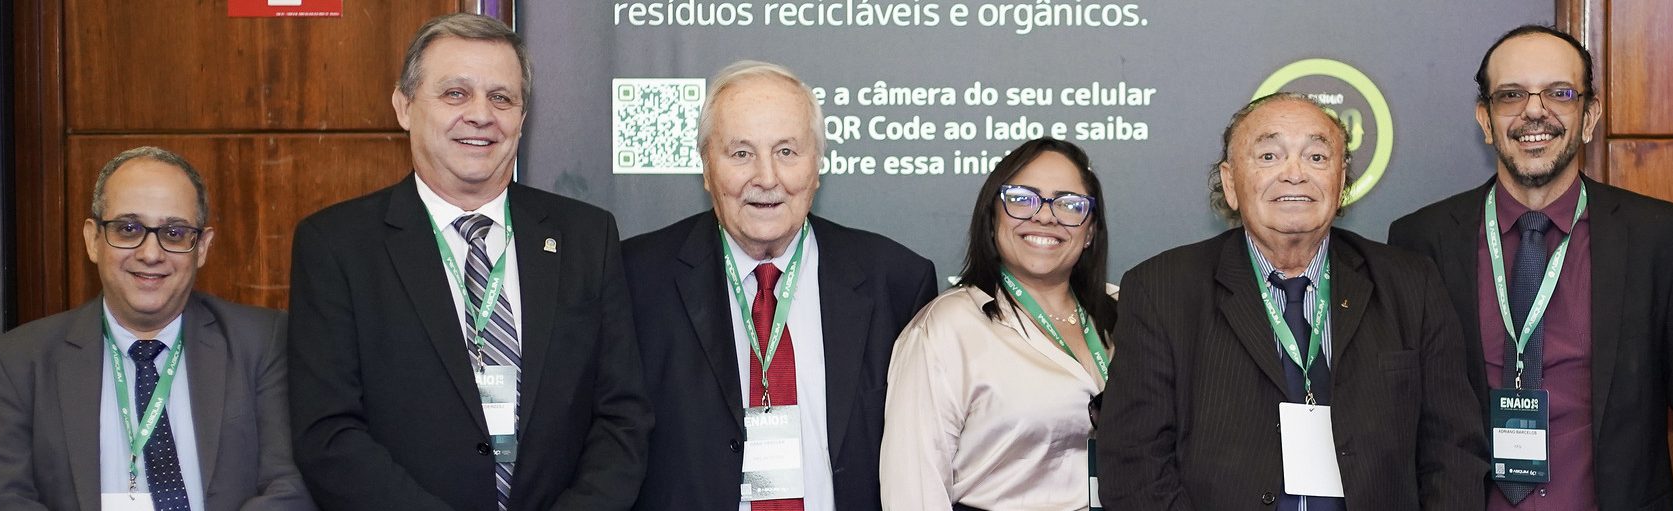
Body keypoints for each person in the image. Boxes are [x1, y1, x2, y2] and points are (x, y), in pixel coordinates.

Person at [285, 13, 650, 510]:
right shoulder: (337, 246)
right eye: (455, 93)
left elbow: (622, 418)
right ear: (404, 106)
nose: (481, 115)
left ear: (522, 117)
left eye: (501, 98)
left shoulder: (587, 237)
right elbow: (328, 435)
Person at [1098, 93, 1483, 510]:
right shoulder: (1162, 291)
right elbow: (1134, 467)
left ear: (1341, 182)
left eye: (1317, 157)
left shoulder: (1411, 284)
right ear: (1230, 183)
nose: (1295, 174)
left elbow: (1453, 453)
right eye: (1269, 156)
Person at [1388, 25, 1673, 510]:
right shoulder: (1421, 240)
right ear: (1486, 120)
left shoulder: (1659, 237)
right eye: (1511, 95)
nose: (1534, 111)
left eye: (1560, 93)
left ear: (1589, 116)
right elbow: (1401, 420)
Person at [624, 60, 936, 511]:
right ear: (706, 168)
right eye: (741, 154)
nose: (767, 178)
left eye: (787, 152)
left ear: (817, 167)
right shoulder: (635, 280)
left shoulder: (897, 282)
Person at [0, 147, 312, 511]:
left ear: (202, 247)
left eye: (174, 232)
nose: (151, 254)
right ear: (93, 240)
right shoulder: (14, 363)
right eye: (129, 229)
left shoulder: (263, 343)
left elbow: (291, 486)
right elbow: (4, 499)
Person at [880, 137, 1118, 510]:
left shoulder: (1131, 313)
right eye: (1022, 199)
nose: (1045, 216)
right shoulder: (946, 328)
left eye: (1070, 204)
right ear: (992, 219)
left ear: (1090, 231)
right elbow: (913, 491)